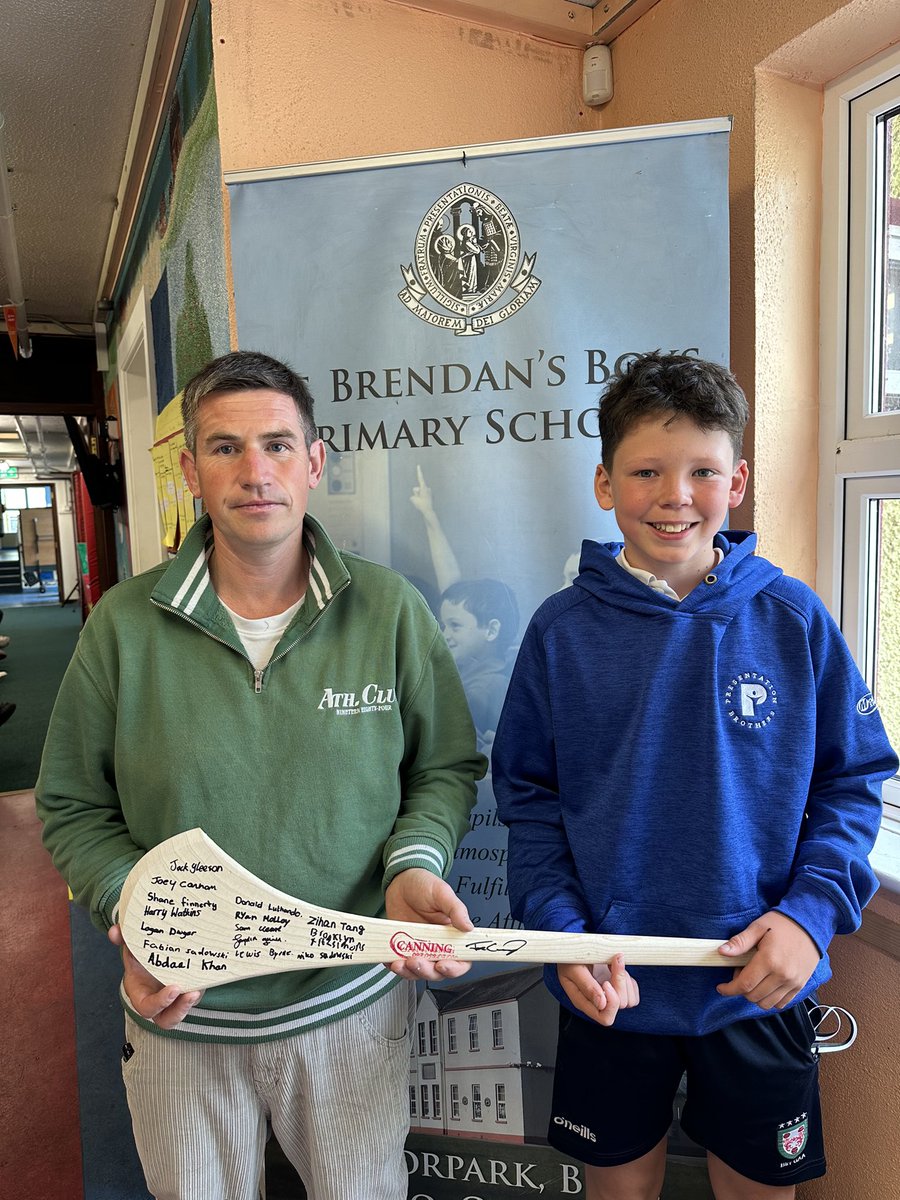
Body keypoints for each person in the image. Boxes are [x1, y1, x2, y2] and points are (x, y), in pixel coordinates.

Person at [36, 350, 486, 1200]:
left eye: (278, 445)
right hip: (185, 1013)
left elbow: (445, 768)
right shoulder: (123, 627)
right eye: (225, 447)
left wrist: (412, 864)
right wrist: (138, 909)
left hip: (349, 1006)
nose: (255, 472)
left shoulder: (389, 610)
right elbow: (71, 804)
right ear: (190, 470)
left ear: (314, 462)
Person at [491, 352, 898, 1200]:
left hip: (758, 984)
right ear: (605, 483)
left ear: (736, 482)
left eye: (703, 472)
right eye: (647, 471)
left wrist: (810, 918)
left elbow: (853, 781)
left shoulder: (793, 617)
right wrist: (563, 933)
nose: (675, 495)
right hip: (609, 980)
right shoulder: (560, 632)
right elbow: (529, 802)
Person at [440, 577, 518, 750]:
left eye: (455, 625)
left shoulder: (485, 688)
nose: (444, 635)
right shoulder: (469, 677)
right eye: (444, 626)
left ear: (491, 630)